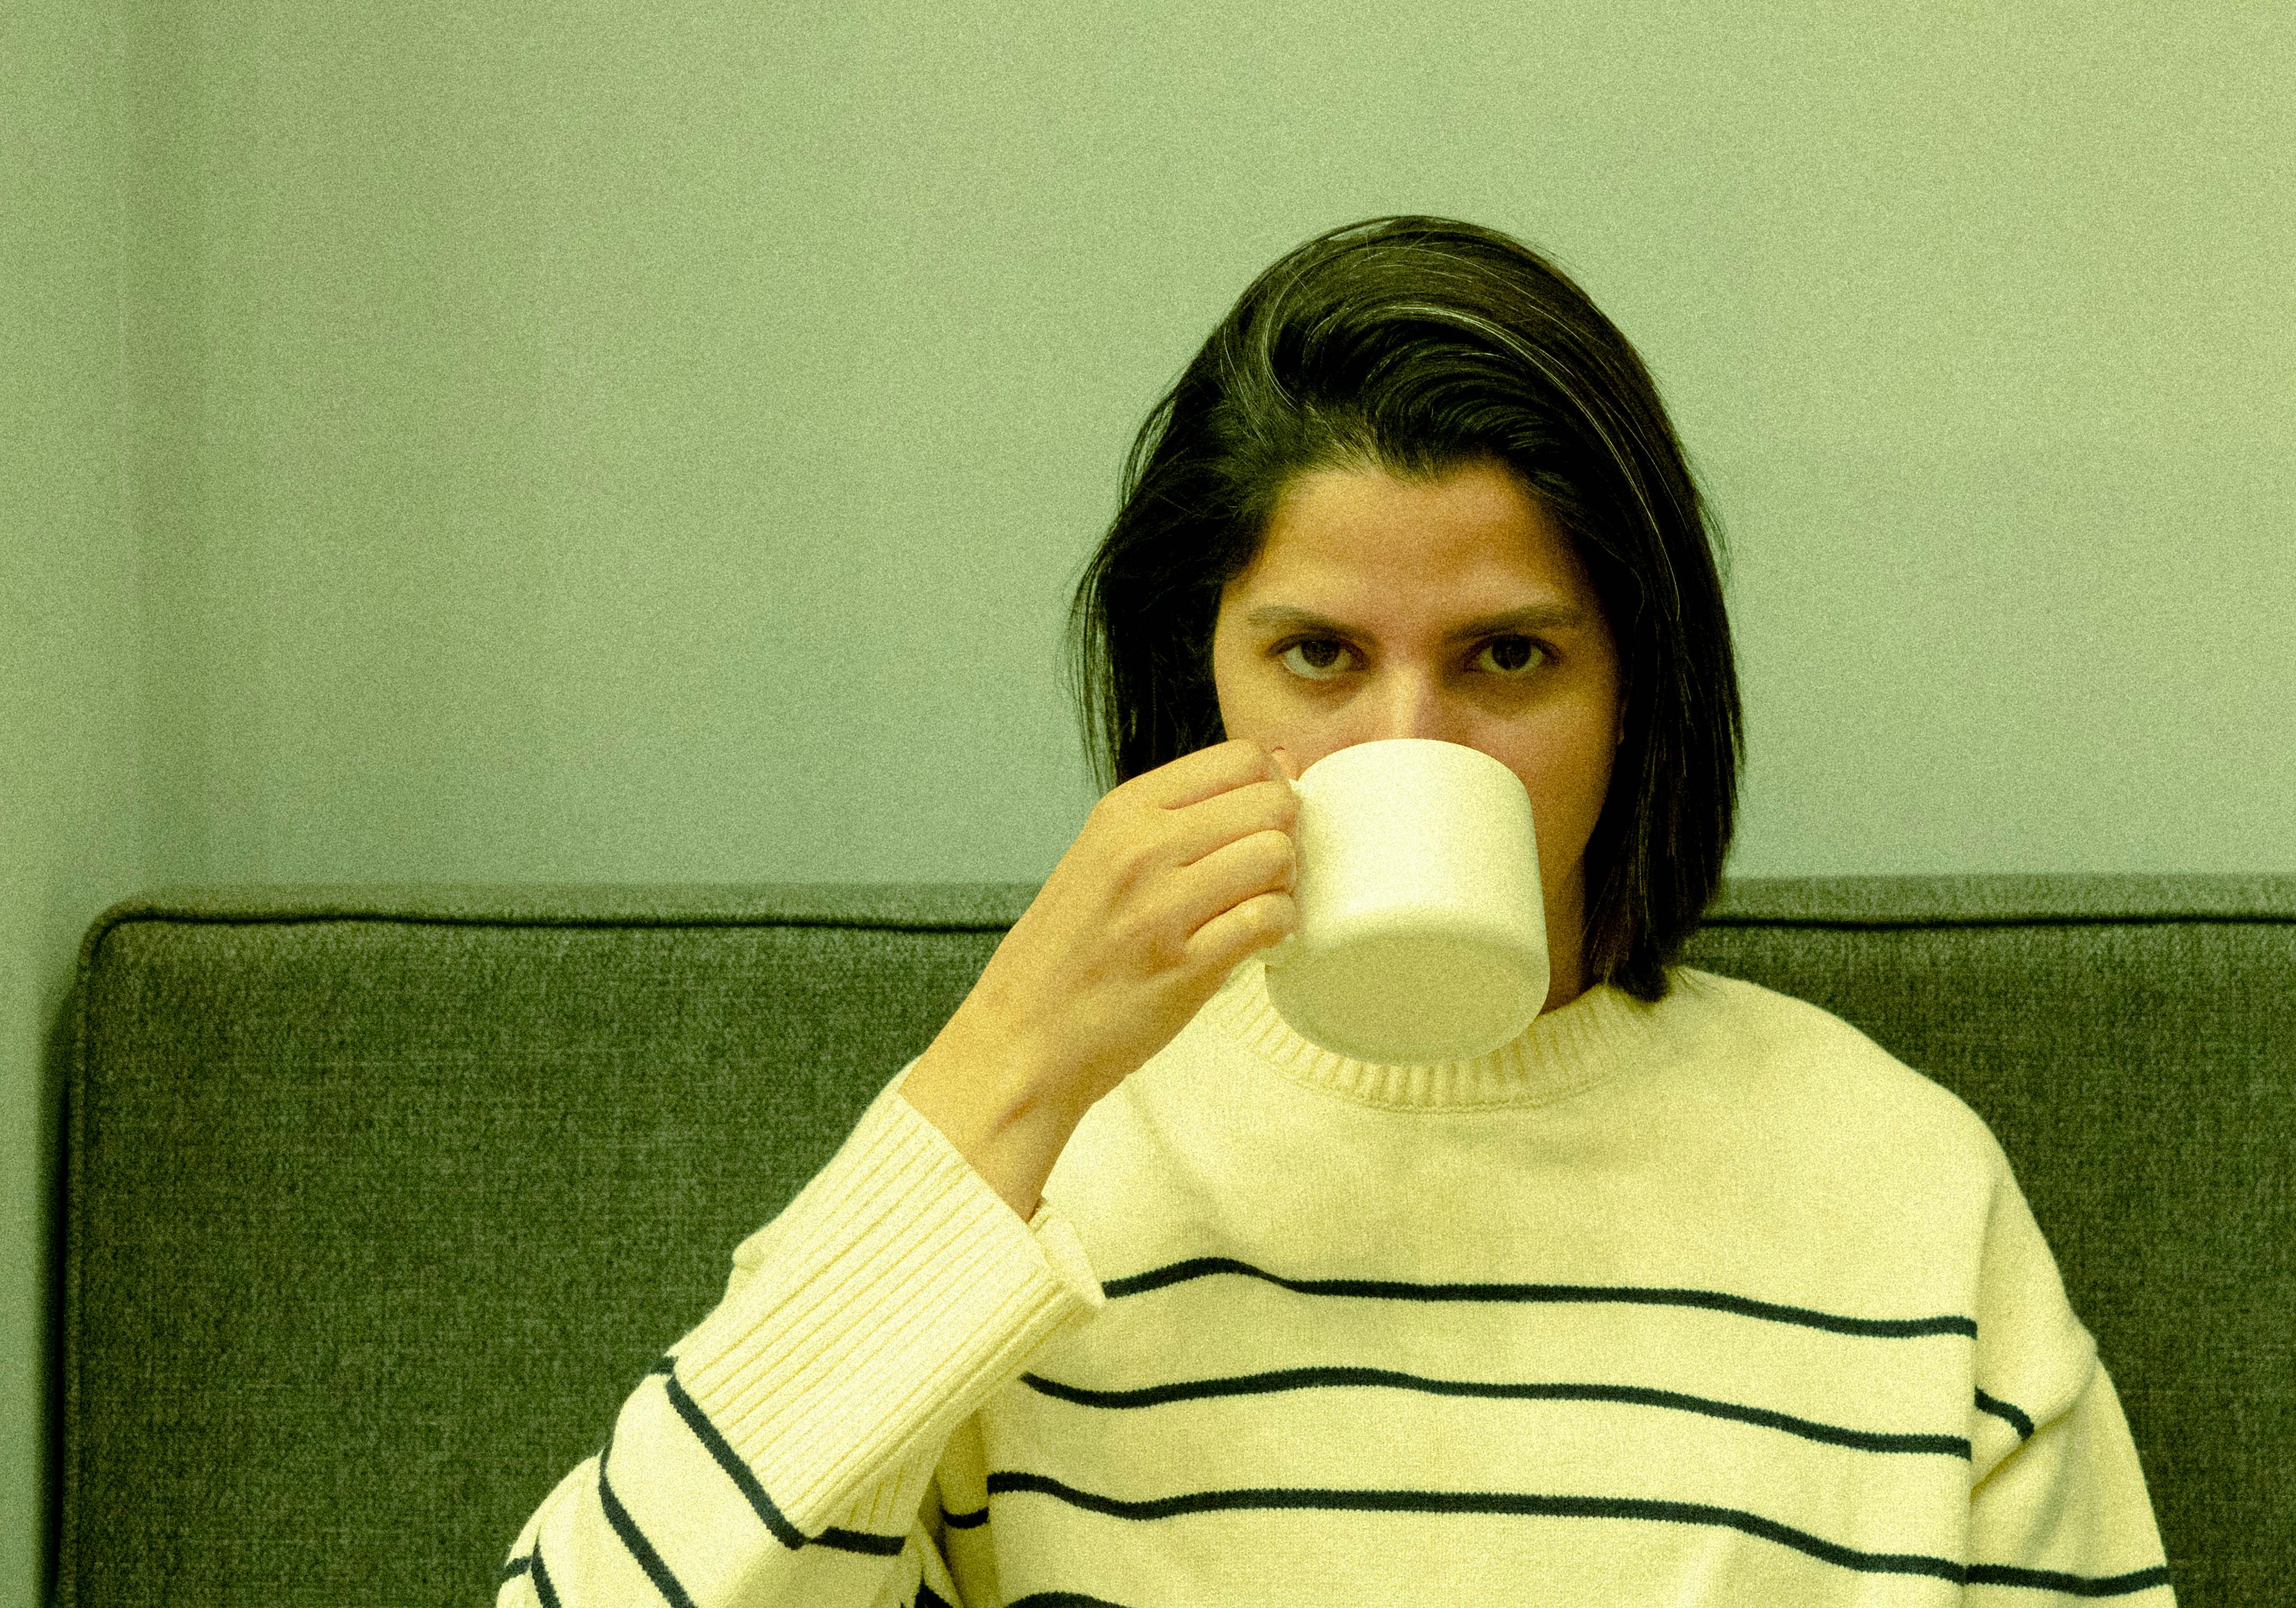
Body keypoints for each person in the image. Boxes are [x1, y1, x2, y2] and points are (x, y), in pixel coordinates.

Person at [498, 215, 2174, 1604]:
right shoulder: (1036, 1175)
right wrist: (1006, 1069)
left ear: (1639, 691)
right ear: (1198, 678)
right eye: (1317, 658)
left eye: (1508, 658)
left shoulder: (1900, 1192)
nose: (1406, 745)